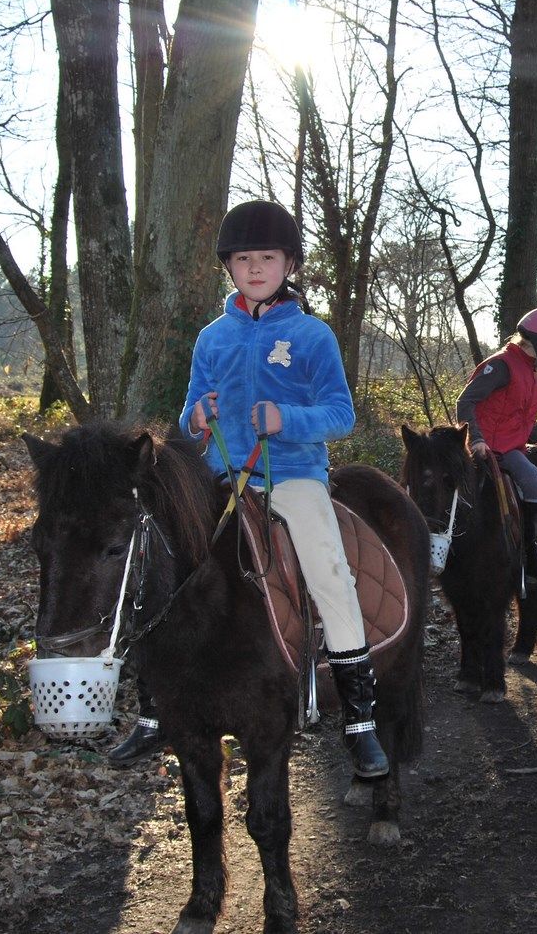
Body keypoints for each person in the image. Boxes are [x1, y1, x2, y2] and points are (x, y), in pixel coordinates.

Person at [170, 199, 388, 780]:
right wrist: (194, 419)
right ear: (230, 267)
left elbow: (341, 415)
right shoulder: (211, 338)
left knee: (328, 571)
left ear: (288, 263)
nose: (256, 267)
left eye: (268, 257)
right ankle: (155, 702)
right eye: (244, 259)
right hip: (219, 477)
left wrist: (286, 420)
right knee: (162, 561)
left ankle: (360, 719)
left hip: (290, 477)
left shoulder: (312, 335)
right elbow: (188, 408)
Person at [455, 306, 537, 591]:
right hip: (492, 448)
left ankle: (532, 551)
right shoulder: (502, 365)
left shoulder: (530, 372)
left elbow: (520, 416)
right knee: (533, 479)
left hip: (513, 445)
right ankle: (535, 558)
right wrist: (477, 439)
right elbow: (465, 402)